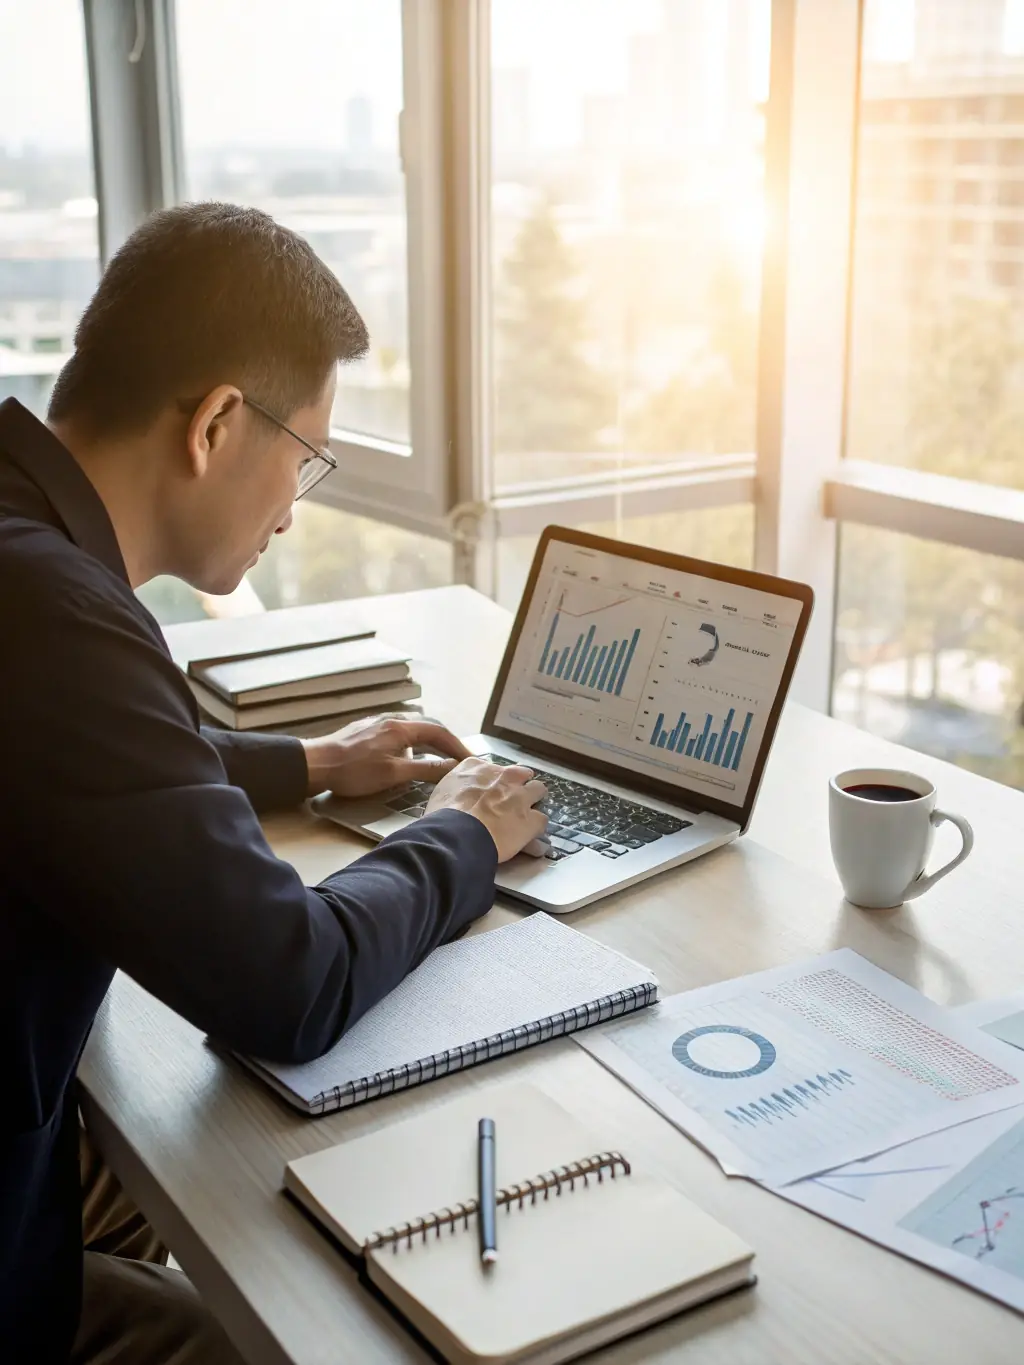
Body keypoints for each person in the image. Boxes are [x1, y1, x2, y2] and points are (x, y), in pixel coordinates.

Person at [0, 202, 548, 1363]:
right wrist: (462, 837)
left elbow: (77, 765)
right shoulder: (57, 619)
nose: (294, 512)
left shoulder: (23, 548)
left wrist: (307, 764)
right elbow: (286, 982)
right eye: (304, 458)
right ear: (213, 425)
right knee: (270, 1331)